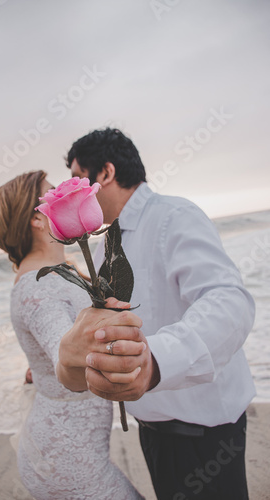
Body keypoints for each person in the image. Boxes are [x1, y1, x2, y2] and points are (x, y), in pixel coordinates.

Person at [59, 128, 256, 500]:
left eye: (76, 179)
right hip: (152, 427)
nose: (71, 191)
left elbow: (229, 301)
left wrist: (156, 362)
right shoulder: (102, 249)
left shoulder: (174, 216)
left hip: (203, 430)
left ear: (106, 173)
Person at [0, 170, 145, 500]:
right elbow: (67, 354)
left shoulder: (55, 275)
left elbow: (54, 344)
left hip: (69, 451)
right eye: (52, 192)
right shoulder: (39, 286)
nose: (61, 192)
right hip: (65, 461)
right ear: (37, 219)